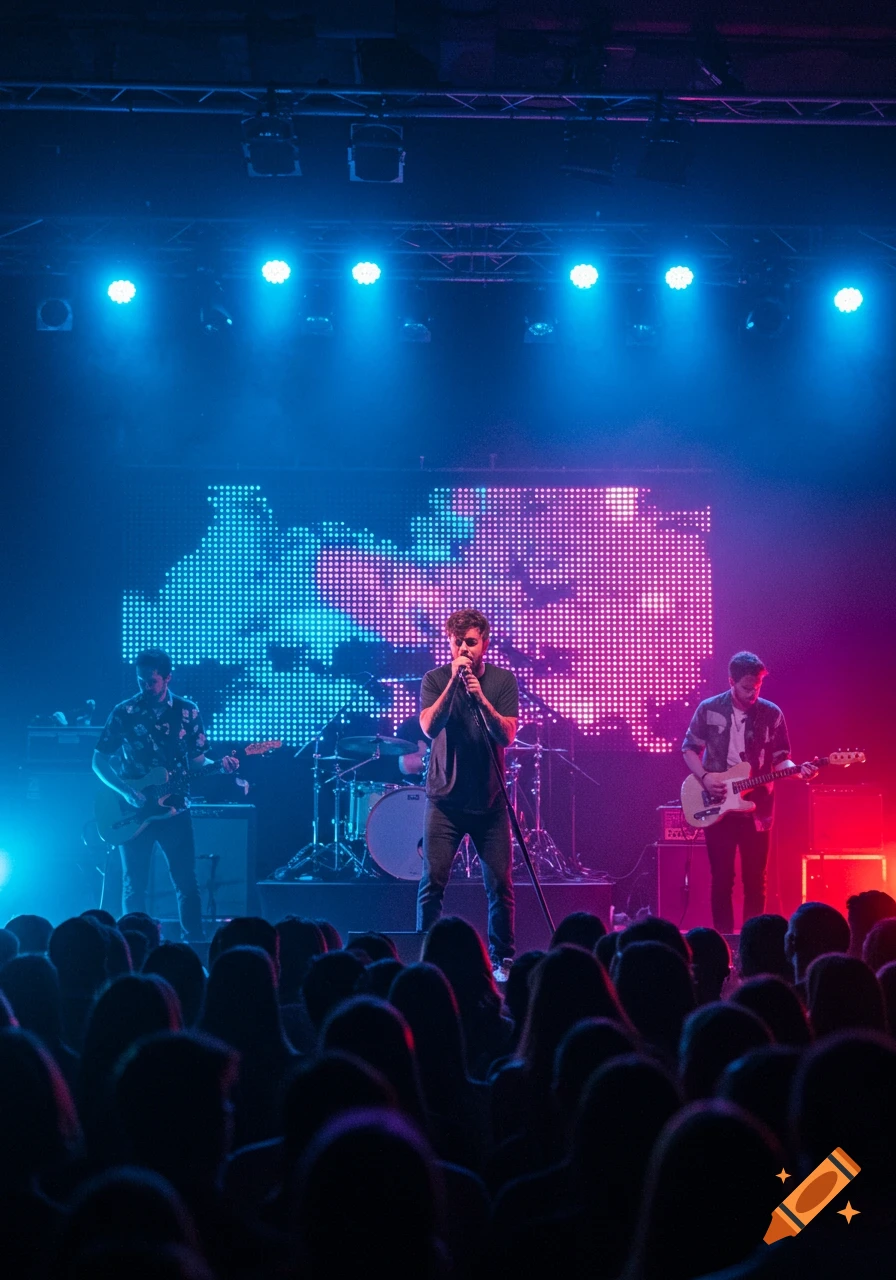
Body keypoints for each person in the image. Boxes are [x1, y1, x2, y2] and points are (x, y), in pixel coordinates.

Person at [93, 648, 239, 943]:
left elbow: (198, 760)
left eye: (151, 681)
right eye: (140, 681)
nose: (145, 687)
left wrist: (220, 766)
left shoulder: (187, 711)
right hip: (134, 811)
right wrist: (126, 791)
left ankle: (193, 945)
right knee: (134, 884)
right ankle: (133, 946)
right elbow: (98, 760)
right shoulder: (124, 712)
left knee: (186, 884)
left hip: (175, 810)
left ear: (167, 678)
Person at [682, 650, 817, 935]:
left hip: (759, 807)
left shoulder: (771, 713)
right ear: (731, 681)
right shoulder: (709, 708)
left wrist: (798, 770)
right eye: (746, 687)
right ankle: (724, 943)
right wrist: (705, 778)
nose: (752, 692)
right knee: (722, 878)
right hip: (717, 803)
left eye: (757, 686)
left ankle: (752, 942)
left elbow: (782, 758)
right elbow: (689, 749)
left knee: (756, 880)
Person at [416, 609, 519, 982]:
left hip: (490, 803)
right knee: (433, 881)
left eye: (471, 642)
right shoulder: (435, 679)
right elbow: (429, 726)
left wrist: (480, 698)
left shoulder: (503, 681)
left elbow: (506, 735)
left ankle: (503, 960)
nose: (464, 649)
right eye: (457, 642)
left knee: (499, 885)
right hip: (444, 801)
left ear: (485, 644)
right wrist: (455, 687)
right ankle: (428, 960)